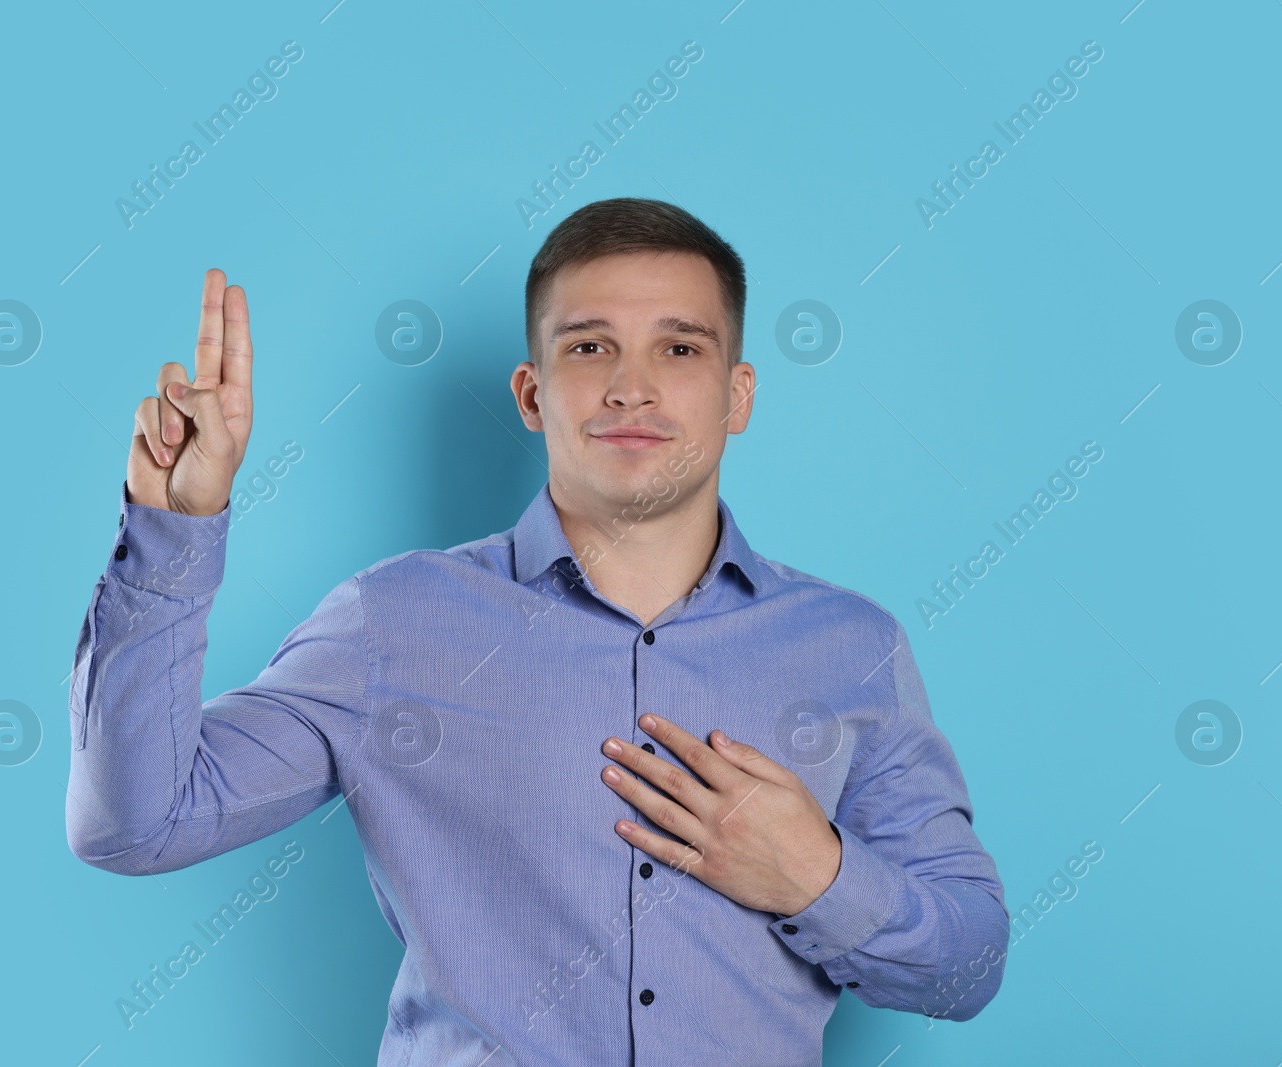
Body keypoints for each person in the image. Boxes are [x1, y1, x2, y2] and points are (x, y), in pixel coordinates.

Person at [66, 197, 1008, 1065]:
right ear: (530, 391)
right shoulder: (393, 622)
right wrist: (175, 529)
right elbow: (134, 824)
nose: (632, 388)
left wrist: (817, 874)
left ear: (739, 394)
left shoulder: (851, 646)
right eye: (590, 347)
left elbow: (967, 969)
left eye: (680, 349)